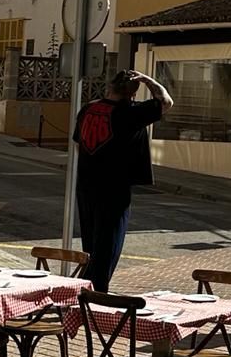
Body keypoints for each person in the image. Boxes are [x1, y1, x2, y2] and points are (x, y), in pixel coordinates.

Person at [74, 68, 173, 290]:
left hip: (86, 185)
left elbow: (78, 144)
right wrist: (148, 80)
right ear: (133, 94)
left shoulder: (88, 109)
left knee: (91, 245)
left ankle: (85, 292)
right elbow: (166, 101)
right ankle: (93, 296)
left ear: (109, 87)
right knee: (108, 247)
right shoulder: (130, 112)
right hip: (113, 187)